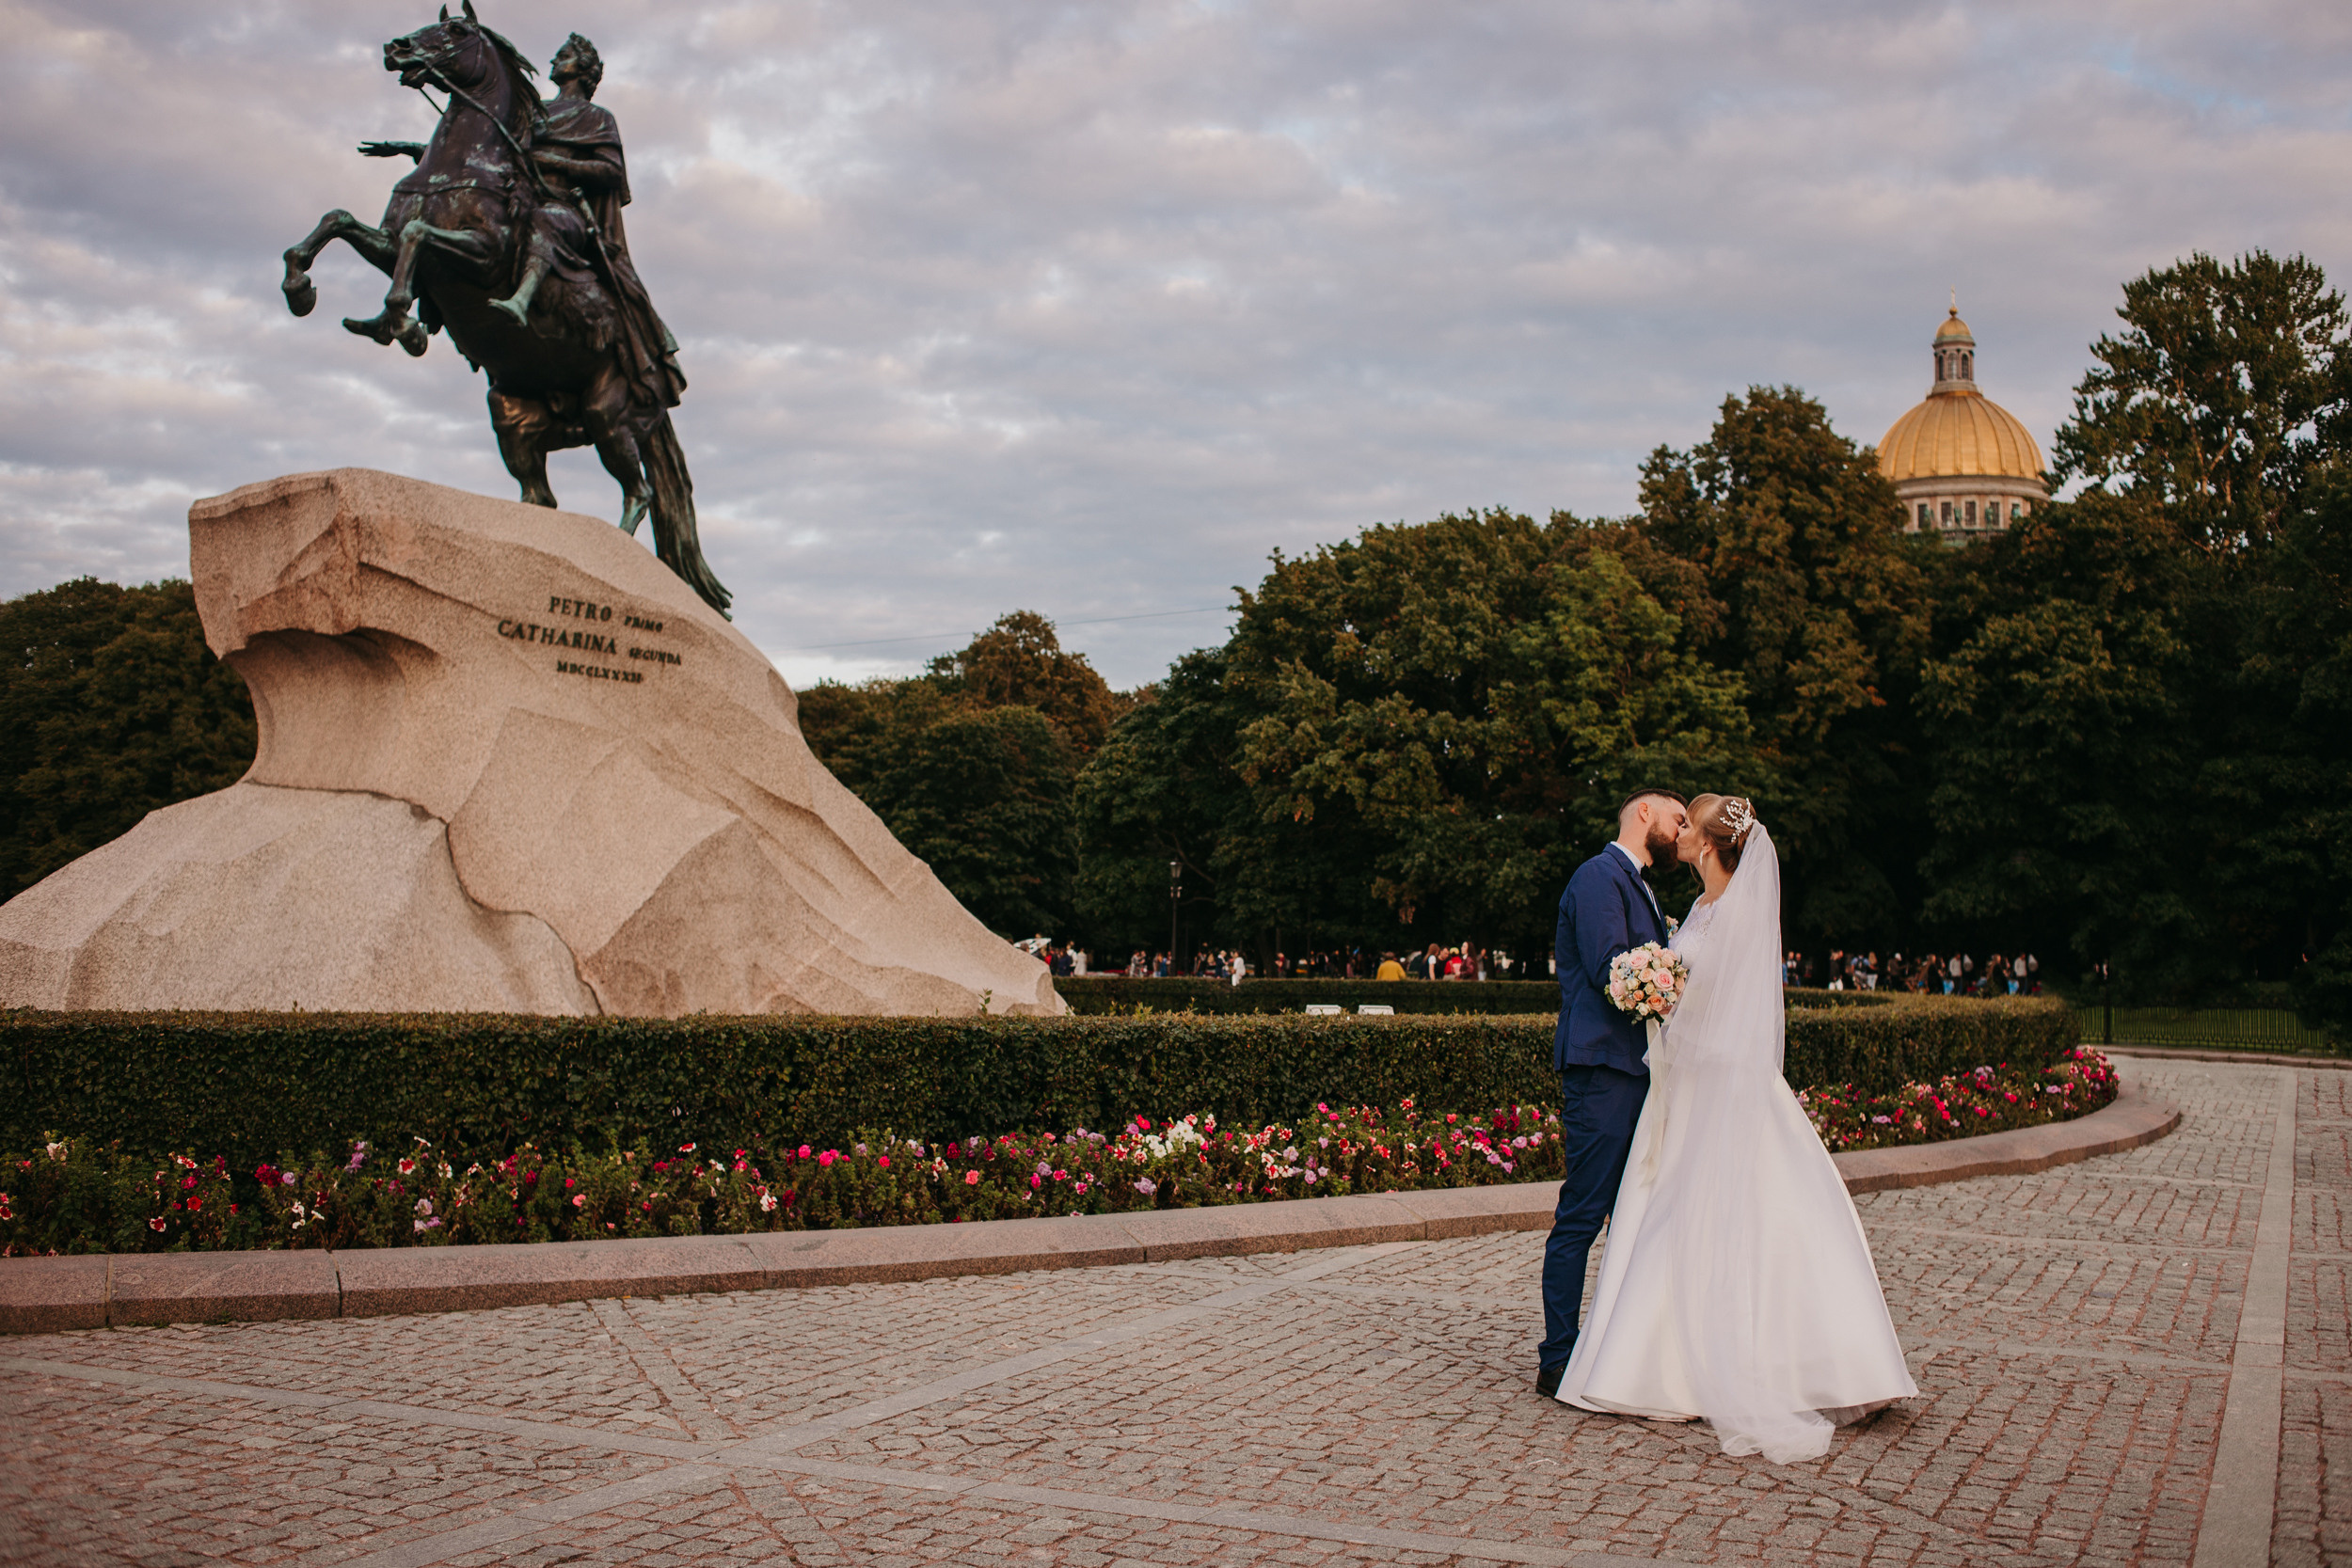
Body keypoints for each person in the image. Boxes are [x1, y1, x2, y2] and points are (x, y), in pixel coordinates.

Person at [1554, 796, 1916, 1461]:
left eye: (1689, 823)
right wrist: (1657, 988)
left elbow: (1724, 1008)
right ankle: (1643, 1356)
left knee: (1743, 1216)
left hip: (1718, 1083)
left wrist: (1658, 990)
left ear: (1715, 846)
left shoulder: (1737, 913)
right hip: (1685, 1084)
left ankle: (1790, 1362)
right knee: (1679, 1216)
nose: (1680, 831)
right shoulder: (1695, 909)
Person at [1536, 787, 1687, 1399]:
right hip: (1602, 1068)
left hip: (1635, 1069)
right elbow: (1611, 969)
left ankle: (1612, 1351)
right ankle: (1558, 1357)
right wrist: (1667, 980)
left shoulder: (1643, 886)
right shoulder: (1600, 876)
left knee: (1632, 1216)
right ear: (1643, 812)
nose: (1683, 833)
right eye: (1678, 819)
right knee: (1583, 1213)